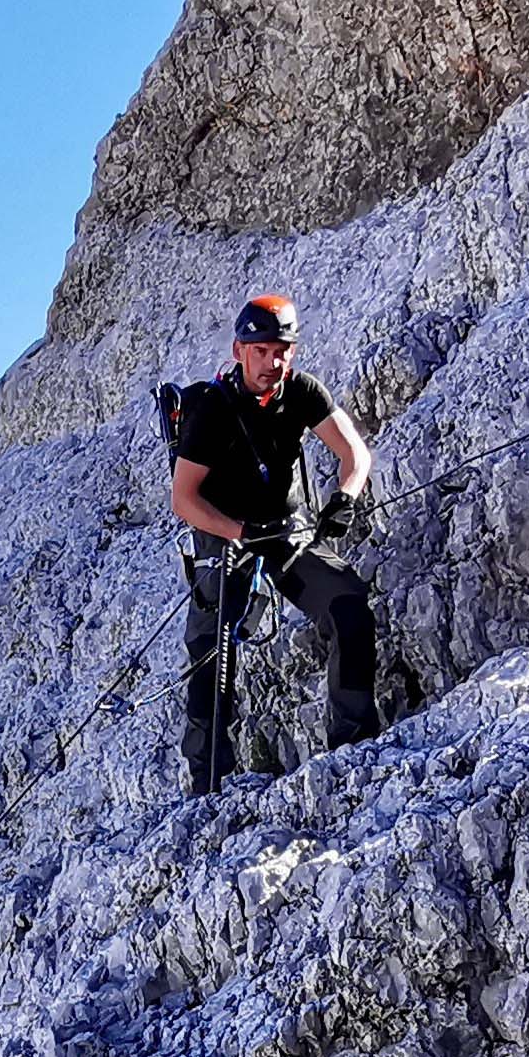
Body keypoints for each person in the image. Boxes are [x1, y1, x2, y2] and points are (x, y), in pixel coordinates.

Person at [167, 293, 383, 795]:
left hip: (286, 532)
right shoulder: (211, 411)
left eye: (282, 349)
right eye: (261, 350)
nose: (272, 361)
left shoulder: (302, 392)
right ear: (240, 350)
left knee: (349, 608)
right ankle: (208, 788)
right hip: (225, 539)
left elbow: (355, 454)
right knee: (210, 659)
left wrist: (344, 498)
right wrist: (240, 532)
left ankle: (353, 747)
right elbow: (184, 499)